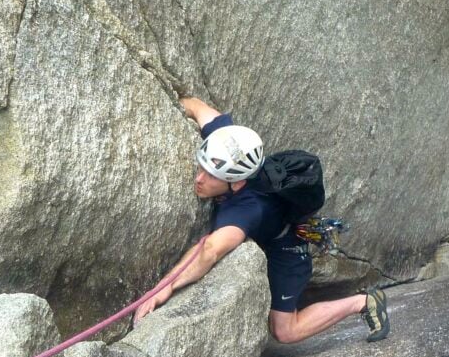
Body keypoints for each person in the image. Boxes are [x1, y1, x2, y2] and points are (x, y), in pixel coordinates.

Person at [133, 97, 390, 343]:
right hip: (270, 222)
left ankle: (363, 302)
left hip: (285, 244)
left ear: (238, 183)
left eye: (211, 176)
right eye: (201, 168)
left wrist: (164, 287)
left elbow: (210, 251)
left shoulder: (246, 211)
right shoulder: (232, 147)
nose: (199, 179)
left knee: (284, 331)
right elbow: (198, 107)